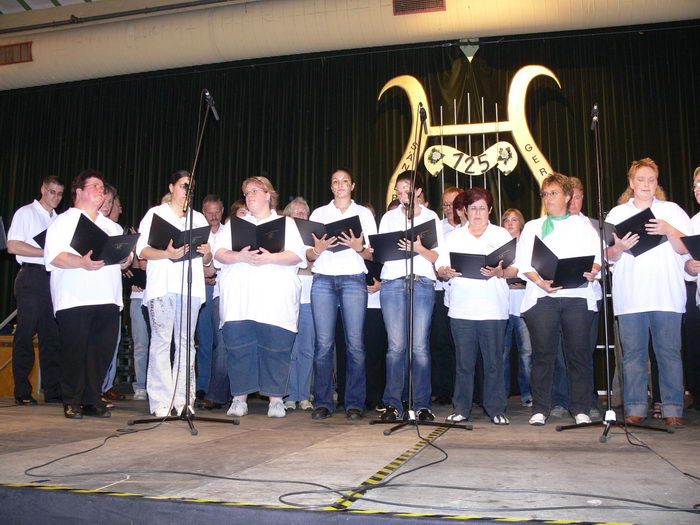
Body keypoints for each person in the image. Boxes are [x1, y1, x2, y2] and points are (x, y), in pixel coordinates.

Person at [606, 158, 690, 427]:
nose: (646, 184)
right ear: (631, 183)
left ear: (657, 183)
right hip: (631, 296)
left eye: (651, 180)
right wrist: (619, 247)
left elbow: (685, 249)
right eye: (640, 179)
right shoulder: (617, 214)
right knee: (633, 355)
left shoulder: (673, 210)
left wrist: (669, 229)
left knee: (669, 353)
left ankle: (673, 407)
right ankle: (635, 406)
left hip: (667, 294)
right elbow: (607, 256)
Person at [513, 173, 601, 426]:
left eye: (553, 193)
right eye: (545, 194)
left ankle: (581, 408)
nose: (548, 198)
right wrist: (539, 280)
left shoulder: (583, 225)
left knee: (578, 355)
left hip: (576, 296)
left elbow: (598, 258)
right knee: (543, 355)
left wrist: (593, 269)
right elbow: (523, 264)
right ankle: (540, 408)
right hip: (543, 298)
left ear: (567, 196)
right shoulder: (532, 226)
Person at [214, 176, 306, 418]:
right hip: (240, 299)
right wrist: (240, 256)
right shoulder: (234, 224)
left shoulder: (286, 223)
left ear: (268, 195)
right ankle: (239, 398)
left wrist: (270, 258)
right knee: (239, 347)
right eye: (246, 192)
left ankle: (275, 399)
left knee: (275, 347)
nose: (250, 195)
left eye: (255, 190)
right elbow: (219, 253)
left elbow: (297, 255)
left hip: (274, 299)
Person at [44, 169, 130, 418]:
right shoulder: (64, 221)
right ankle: (71, 399)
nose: (100, 192)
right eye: (94, 186)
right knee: (75, 351)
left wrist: (126, 256)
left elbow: (124, 262)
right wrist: (81, 262)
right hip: (75, 297)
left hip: (107, 298)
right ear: (79, 191)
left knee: (100, 353)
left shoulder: (111, 226)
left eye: (103, 188)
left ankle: (93, 398)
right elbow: (55, 256)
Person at [136, 170, 213, 418]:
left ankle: (184, 400)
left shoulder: (198, 218)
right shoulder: (155, 214)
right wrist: (167, 254)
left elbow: (207, 259)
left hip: (189, 287)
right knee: (161, 341)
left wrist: (208, 252)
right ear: (171, 187)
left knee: (186, 343)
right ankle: (160, 401)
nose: (187, 192)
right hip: (163, 285)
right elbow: (142, 251)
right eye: (183, 186)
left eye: (191, 188)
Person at [436, 187, 515, 424]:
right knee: (464, 363)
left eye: (482, 208)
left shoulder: (502, 235)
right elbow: (439, 267)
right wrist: (445, 272)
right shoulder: (453, 237)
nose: (477, 213)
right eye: (473, 208)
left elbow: (515, 268)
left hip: (493, 308)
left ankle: (496, 409)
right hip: (462, 308)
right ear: (465, 211)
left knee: (493, 363)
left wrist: (501, 272)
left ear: (490, 210)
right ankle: (462, 408)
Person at [307, 168, 377, 421]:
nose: (340, 185)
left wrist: (360, 248)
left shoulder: (364, 213)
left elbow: (372, 253)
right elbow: (309, 254)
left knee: (355, 344)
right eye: (335, 181)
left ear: (353, 185)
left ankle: (354, 402)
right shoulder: (319, 213)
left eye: (344, 181)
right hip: (323, 278)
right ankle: (323, 402)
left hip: (353, 279)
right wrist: (317, 249)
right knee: (323, 345)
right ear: (331, 186)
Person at [378, 170, 442, 422]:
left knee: (420, 347)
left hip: (423, 282)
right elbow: (381, 253)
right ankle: (393, 404)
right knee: (395, 347)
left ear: (418, 191)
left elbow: (438, 257)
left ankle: (422, 404)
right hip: (393, 283)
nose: (403, 192)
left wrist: (419, 248)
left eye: (408, 188)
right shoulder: (389, 217)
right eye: (399, 188)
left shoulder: (431, 217)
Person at [6, 175, 65, 405]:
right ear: (42, 189)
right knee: (25, 334)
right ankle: (22, 391)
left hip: (53, 279)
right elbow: (13, 245)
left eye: (60, 194)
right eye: (52, 192)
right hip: (31, 276)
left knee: (52, 337)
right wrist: (46, 252)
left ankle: (52, 390)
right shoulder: (25, 213)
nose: (56, 197)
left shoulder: (59, 220)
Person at [430, 186, 464, 406]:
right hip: (439, 291)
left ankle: (465, 390)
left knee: (461, 345)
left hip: (463, 293)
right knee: (441, 342)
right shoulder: (437, 229)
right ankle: (443, 390)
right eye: (446, 204)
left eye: (454, 203)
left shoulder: (472, 227)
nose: (450, 208)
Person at [282, 197, 315, 411]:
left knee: (307, 349)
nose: (301, 216)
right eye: (297, 212)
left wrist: (301, 263)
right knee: (289, 350)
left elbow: (314, 266)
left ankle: (304, 395)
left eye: (304, 212)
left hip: (311, 298)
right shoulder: (284, 237)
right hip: (288, 297)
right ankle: (289, 395)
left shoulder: (314, 237)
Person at [500, 208, 533, 408]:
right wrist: (510, 279)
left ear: (521, 223)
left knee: (527, 352)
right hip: (502, 306)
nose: (510, 223)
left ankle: (528, 392)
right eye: (506, 220)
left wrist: (520, 280)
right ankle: (501, 394)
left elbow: (532, 274)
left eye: (514, 220)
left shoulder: (527, 246)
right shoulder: (498, 245)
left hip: (523, 306)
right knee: (502, 353)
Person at [194, 194, 225, 403]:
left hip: (223, 290)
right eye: (209, 212)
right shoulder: (197, 234)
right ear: (203, 213)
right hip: (203, 289)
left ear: (222, 211)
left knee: (221, 343)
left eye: (217, 212)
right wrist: (205, 278)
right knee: (205, 340)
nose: (213, 216)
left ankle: (220, 387)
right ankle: (203, 386)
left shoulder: (229, 232)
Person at [683, 166, 700, 411]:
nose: (697, 191)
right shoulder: (694, 222)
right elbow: (685, 262)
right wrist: (690, 266)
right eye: (696, 186)